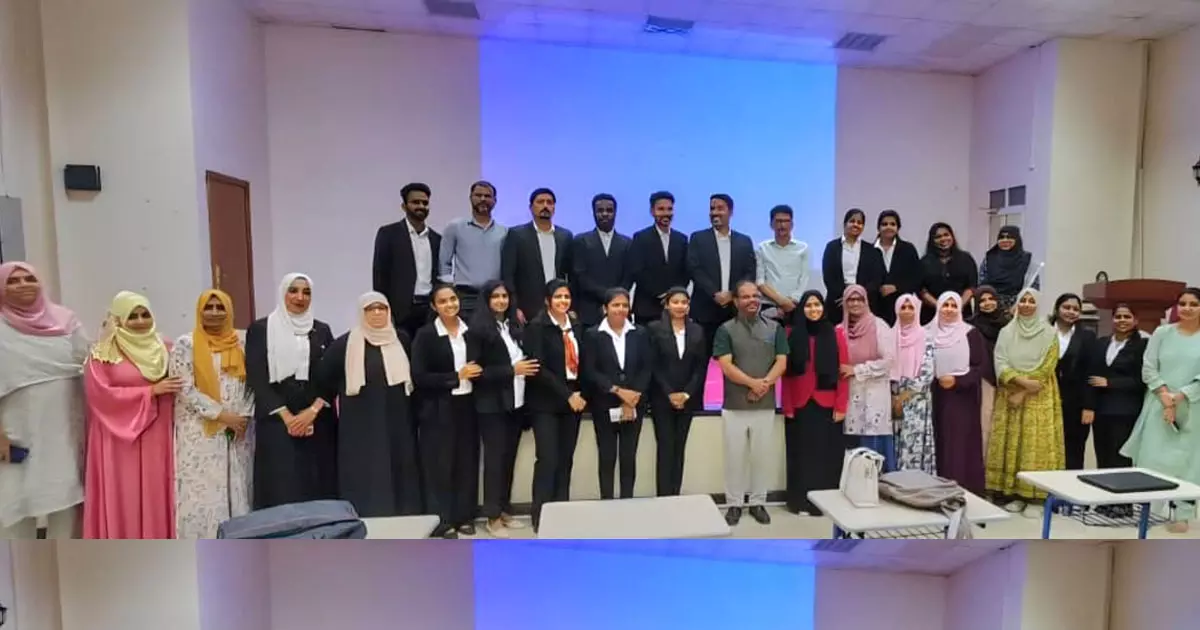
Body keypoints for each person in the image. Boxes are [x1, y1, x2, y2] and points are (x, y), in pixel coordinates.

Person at [0, 262, 87, 538]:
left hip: (65, 424)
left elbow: (89, 361)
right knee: (15, 505)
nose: (23, 285)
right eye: (13, 281)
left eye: (29, 278)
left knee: (65, 498)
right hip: (15, 428)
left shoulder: (65, 320)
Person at [83, 291, 178, 538]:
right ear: (118, 319)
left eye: (145, 314)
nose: (140, 321)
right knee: (124, 491)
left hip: (157, 432)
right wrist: (150, 391)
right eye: (132, 316)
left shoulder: (166, 347)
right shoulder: (103, 353)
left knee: (157, 489)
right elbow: (99, 395)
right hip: (118, 438)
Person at [319, 292, 422, 519]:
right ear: (361, 313)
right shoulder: (346, 343)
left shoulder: (401, 338)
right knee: (365, 465)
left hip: (398, 415)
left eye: (381, 308)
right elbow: (325, 376)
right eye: (370, 309)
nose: (377, 313)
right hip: (360, 419)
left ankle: (403, 513)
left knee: (399, 462)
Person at [245, 273, 338, 509]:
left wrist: (312, 411)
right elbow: (257, 376)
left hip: (317, 420)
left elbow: (332, 373)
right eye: (293, 291)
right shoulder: (261, 329)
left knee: (317, 486)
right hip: (277, 420)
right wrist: (288, 418)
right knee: (281, 486)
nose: (300, 297)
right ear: (283, 293)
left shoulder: (322, 330)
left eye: (306, 292)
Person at [169, 289, 254, 539]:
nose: (215, 313)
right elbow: (183, 387)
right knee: (203, 492)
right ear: (200, 311)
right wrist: (221, 415)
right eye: (209, 307)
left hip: (239, 428)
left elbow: (253, 384)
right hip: (200, 429)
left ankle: (239, 541)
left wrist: (243, 417)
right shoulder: (186, 344)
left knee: (238, 486)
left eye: (220, 307)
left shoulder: (242, 342)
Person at [1121, 288, 1200, 534]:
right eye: (1183, 303)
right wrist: (1165, 398)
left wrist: (1179, 397)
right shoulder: (1162, 333)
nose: (1187, 308)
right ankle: (1149, 510)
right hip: (1158, 403)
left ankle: (1182, 514)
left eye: (1194, 304)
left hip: (1192, 406)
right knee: (1151, 457)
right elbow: (1148, 367)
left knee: (1188, 462)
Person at [714, 280, 788, 526]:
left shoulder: (775, 328)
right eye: (745, 297)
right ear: (736, 301)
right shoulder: (725, 329)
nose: (752, 300)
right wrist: (752, 384)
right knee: (734, 458)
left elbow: (781, 362)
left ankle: (758, 502)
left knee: (761, 457)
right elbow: (726, 366)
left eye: (755, 296)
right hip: (734, 405)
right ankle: (734, 504)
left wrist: (763, 385)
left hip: (764, 405)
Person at [466, 279, 536, 537]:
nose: (501, 301)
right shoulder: (477, 330)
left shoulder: (513, 326)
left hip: (515, 403)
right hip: (491, 406)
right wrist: (511, 370)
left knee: (508, 460)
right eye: (495, 296)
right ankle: (492, 516)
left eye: (504, 296)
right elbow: (476, 372)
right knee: (495, 462)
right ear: (487, 300)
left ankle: (504, 509)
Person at [412, 285, 482, 538]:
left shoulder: (471, 330)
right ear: (434, 306)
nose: (450, 304)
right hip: (439, 408)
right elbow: (419, 376)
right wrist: (456, 376)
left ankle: (464, 516)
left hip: (468, 405)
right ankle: (442, 520)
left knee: (467, 462)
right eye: (443, 301)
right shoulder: (426, 335)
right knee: (440, 465)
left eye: (453, 299)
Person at [986, 288, 1064, 514]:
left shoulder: (1049, 333)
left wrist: (1024, 391)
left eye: (1031, 301)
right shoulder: (1006, 332)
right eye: (1023, 301)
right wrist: (1019, 381)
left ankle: (1035, 498)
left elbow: (1048, 366)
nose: (1027, 305)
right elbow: (1000, 360)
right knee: (1012, 444)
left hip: (1038, 395)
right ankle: (1013, 493)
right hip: (1010, 393)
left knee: (1034, 445)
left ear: (1038, 305)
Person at [523, 279, 586, 531]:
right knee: (547, 459)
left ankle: (562, 511)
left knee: (565, 459)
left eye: (566, 297)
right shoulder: (537, 326)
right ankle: (540, 514)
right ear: (548, 300)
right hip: (546, 402)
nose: (563, 301)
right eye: (558, 297)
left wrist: (579, 393)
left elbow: (584, 362)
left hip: (573, 401)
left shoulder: (576, 325)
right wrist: (567, 395)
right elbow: (538, 368)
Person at [779, 290, 848, 515]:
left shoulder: (836, 334)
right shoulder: (791, 333)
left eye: (817, 305)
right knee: (800, 455)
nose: (813, 309)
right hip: (800, 404)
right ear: (802, 309)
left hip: (826, 403)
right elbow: (786, 375)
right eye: (808, 305)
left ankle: (823, 505)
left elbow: (843, 374)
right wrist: (787, 405)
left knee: (824, 456)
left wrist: (841, 406)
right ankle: (800, 502)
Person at [582, 288, 651, 500]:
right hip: (604, 403)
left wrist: (632, 398)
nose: (621, 309)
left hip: (634, 404)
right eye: (615, 305)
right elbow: (590, 370)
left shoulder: (640, 333)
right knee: (607, 456)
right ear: (605, 308)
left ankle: (627, 502)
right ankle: (607, 502)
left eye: (624, 305)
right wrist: (618, 391)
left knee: (629, 457)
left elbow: (646, 367)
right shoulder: (593, 334)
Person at [647, 287, 707, 497]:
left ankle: (676, 495)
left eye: (684, 302)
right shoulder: (654, 329)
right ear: (667, 305)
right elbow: (652, 365)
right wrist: (669, 393)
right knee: (665, 447)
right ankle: (664, 497)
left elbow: (700, 367)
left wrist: (687, 393)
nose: (680, 306)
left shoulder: (697, 331)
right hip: (662, 398)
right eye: (675, 302)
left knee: (679, 448)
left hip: (687, 399)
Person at [929, 292, 986, 495]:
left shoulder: (970, 333)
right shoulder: (928, 333)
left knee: (959, 444)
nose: (949, 309)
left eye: (954, 305)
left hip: (962, 397)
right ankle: (936, 490)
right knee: (938, 441)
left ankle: (961, 490)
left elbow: (980, 367)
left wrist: (957, 381)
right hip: (933, 396)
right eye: (945, 305)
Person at [688, 194, 757, 356]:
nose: (715, 213)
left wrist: (732, 294)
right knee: (701, 360)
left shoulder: (744, 241)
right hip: (704, 311)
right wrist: (715, 293)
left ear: (730, 212)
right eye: (712, 209)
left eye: (720, 208)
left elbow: (750, 272)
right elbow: (694, 269)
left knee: (736, 358)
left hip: (735, 311)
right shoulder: (698, 238)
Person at [373, 182, 442, 340]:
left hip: (429, 311)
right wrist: (383, 310)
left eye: (425, 203)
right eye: (415, 202)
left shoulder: (436, 239)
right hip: (400, 311)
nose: (421, 206)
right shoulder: (389, 234)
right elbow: (380, 275)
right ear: (404, 206)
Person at [840, 284, 896, 470]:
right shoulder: (840, 330)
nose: (855, 303)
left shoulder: (879, 326)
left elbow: (889, 360)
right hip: (850, 394)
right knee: (853, 445)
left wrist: (857, 370)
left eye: (859, 299)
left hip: (875, 394)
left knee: (874, 441)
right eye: (851, 299)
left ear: (866, 302)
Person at [1083, 304, 1146, 470]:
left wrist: (1110, 383)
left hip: (1125, 411)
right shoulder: (1101, 343)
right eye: (1118, 317)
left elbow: (1142, 379)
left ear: (1136, 320)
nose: (1122, 320)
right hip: (1101, 410)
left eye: (1127, 317)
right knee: (1102, 455)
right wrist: (1089, 406)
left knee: (1119, 457)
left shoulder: (1142, 345)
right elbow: (1091, 375)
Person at [502, 188, 574, 324]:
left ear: (554, 208)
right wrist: (514, 307)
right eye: (540, 202)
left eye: (549, 202)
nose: (545, 206)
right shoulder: (517, 235)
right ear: (531, 207)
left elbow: (570, 273)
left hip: (558, 305)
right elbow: (508, 274)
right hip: (527, 308)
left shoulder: (565, 236)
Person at [438, 181, 507, 319]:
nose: (483, 199)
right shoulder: (455, 227)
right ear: (470, 198)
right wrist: (449, 289)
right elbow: (444, 262)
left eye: (487, 196)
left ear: (495, 201)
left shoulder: (504, 232)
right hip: (465, 296)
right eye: (478, 195)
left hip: (493, 296)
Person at [570, 193, 632, 327]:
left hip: (619, 309)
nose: (604, 214)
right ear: (593, 212)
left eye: (609, 210)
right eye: (600, 210)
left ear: (615, 213)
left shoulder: (627, 243)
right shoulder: (581, 241)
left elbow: (628, 276)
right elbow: (580, 276)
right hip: (588, 311)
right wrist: (607, 295)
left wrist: (616, 297)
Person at [628, 191, 689, 324]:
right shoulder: (640, 238)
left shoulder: (682, 239)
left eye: (669, 209)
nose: (666, 213)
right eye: (661, 209)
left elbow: (686, 271)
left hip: (675, 307)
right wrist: (660, 294)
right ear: (652, 211)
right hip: (647, 308)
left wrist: (673, 294)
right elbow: (637, 271)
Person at [891, 294, 936, 474]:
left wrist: (905, 395)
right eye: (903, 307)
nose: (907, 311)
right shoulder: (889, 336)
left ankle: (914, 483)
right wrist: (894, 396)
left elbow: (928, 371)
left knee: (913, 444)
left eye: (911, 307)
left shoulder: (926, 336)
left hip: (917, 399)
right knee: (894, 443)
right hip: (892, 398)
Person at [1051, 292, 1096, 470]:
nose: (1071, 312)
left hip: (1076, 403)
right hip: (1046, 399)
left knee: (1074, 450)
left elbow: (1090, 372)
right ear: (1057, 309)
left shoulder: (1087, 336)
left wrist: (1089, 406)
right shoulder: (1043, 331)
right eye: (1066, 307)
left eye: (1076, 309)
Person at [821, 209, 885, 324]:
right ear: (845, 224)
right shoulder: (832, 247)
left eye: (859, 222)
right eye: (852, 221)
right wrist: (846, 297)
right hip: (837, 302)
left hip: (864, 302)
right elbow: (828, 276)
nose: (856, 224)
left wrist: (857, 297)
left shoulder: (872, 251)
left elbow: (876, 279)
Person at [756, 205, 810, 323]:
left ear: (792, 224)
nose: (782, 225)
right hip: (769, 305)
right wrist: (781, 301)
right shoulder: (762, 248)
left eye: (786, 221)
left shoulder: (803, 248)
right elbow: (760, 282)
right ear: (771, 224)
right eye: (778, 221)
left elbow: (804, 278)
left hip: (794, 305)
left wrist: (791, 301)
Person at [971, 286, 1008, 454]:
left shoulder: (1008, 324)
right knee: (985, 423)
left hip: (1007, 379)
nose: (987, 303)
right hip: (983, 379)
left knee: (1004, 423)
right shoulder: (971, 325)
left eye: (991, 299)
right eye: (982, 300)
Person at [918, 222, 978, 325]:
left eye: (946, 235)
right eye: (938, 237)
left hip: (962, 312)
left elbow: (971, 286)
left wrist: (958, 306)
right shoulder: (924, 262)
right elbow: (921, 290)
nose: (943, 239)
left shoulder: (966, 259)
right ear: (932, 240)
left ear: (952, 236)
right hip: (932, 314)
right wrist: (940, 306)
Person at [873, 210, 922, 326]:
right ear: (878, 228)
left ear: (898, 228)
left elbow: (917, 277)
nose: (888, 227)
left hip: (902, 306)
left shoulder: (908, 249)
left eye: (892, 224)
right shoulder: (870, 250)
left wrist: (896, 287)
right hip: (876, 306)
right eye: (884, 224)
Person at [978, 226, 1037, 313]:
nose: (1005, 240)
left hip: (1019, 308)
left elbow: (1033, 287)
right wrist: (988, 303)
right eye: (1001, 237)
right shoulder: (989, 258)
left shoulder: (1026, 260)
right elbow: (981, 283)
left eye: (1009, 237)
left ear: (1017, 239)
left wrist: (1018, 305)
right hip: (990, 306)